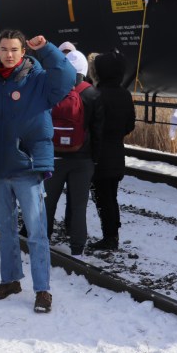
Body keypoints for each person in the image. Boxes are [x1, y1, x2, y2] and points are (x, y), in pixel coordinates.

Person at [0, 29, 74, 314]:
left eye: (14, 50)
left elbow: (67, 77)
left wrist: (47, 49)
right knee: (4, 229)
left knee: (36, 231)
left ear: (23, 52)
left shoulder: (39, 81)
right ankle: (10, 280)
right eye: (4, 49)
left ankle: (42, 289)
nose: (9, 54)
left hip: (27, 167)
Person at [44, 50, 103, 256]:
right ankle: (77, 248)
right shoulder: (93, 94)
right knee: (79, 206)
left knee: (48, 203)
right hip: (83, 159)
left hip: (55, 157)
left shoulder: (54, 90)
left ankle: (43, 240)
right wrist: (94, 159)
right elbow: (98, 131)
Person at [88, 50, 136, 251]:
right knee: (111, 196)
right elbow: (130, 125)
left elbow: (90, 125)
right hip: (117, 152)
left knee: (101, 197)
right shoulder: (125, 94)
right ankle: (113, 233)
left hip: (99, 155)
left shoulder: (96, 95)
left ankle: (109, 237)